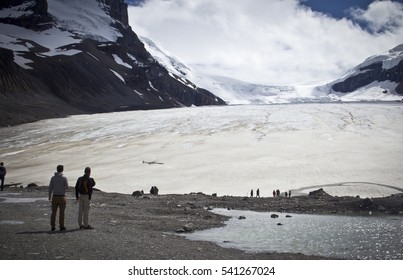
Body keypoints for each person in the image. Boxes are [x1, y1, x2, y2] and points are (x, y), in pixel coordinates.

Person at [48, 165, 69, 231]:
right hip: (62, 197)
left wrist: (49, 196)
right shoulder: (64, 178)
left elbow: (50, 188)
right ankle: (61, 226)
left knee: (53, 213)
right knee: (62, 213)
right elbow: (66, 187)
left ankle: (53, 226)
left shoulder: (53, 178)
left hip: (55, 196)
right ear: (62, 170)